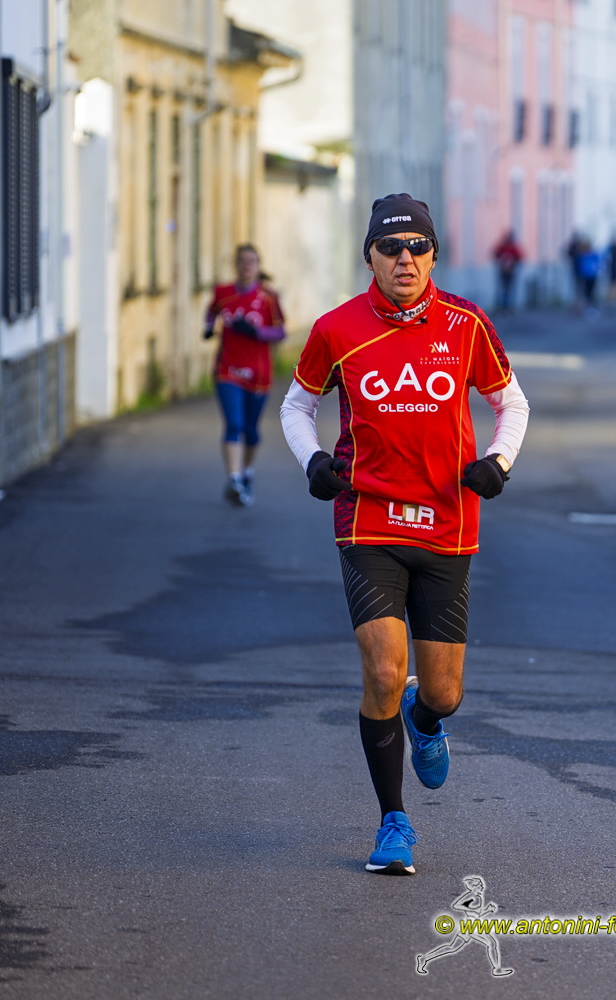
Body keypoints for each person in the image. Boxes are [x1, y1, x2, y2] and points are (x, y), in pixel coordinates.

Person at [279, 194, 530, 875]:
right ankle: (393, 822)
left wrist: (498, 462)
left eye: (418, 246)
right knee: (385, 671)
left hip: (448, 525)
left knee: (443, 692)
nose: (405, 259)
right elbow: (298, 404)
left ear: (434, 255)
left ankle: (426, 719)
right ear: (369, 256)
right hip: (368, 521)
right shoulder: (337, 329)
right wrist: (313, 461)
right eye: (390, 248)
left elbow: (510, 401)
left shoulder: (466, 324)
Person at [204, 244, 285, 506]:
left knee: (251, 431)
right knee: (234, 424)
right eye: (242, 261)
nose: (247, 266)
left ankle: (247, 471)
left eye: (252, 261)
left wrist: (255, 332)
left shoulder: (268, 297)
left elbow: (281, 332)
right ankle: (234, 479)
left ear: (258, 266)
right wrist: (208, 328)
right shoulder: (222, 292)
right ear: (235, 265)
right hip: (227, 369)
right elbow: (211, 311)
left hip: (258, 373)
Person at [492, 230, 523, 313]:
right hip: (503, 271)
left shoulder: (513, 248)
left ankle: (508, 306)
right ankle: (502, 306)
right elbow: (495, 254)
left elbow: (519, 257)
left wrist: (512, 263)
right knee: (503, 289)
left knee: (509, 289)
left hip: (511, 271)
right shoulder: (502, 247)